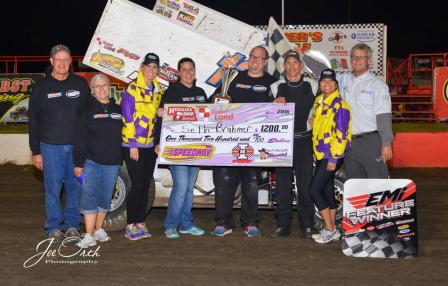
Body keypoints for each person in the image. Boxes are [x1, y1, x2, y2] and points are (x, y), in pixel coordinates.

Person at [211, 46, 275, 237]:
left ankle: (250, 223)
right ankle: (223, 222)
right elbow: (213, 100)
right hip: (227, 140)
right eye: (252, 57)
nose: (255, 61)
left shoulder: (271, 82)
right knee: (223, 181)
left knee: (251, 182)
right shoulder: (233, 78)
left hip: (255, 142)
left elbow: (280, 109)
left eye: (259, 58)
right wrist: (217, 100)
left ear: (265, 61)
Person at [28, 44, 90, 241]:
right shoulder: (40, 88)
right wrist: (36, 151)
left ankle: (72, 225)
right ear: (52, 61)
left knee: (75, 187)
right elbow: (33, 121)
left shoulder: (80, 85)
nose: (62, 63)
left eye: (66, 59)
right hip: (49, 148)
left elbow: (87, 117)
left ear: (70, 61)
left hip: (76, 148)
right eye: (58, 59)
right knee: (52, 189)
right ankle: (53, 226)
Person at [271, 49, 323, 238]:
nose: (292, 66)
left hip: (304, 141)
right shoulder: (275, 87)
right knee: (283, 186)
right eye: (288, 63)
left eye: (295, 62)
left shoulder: (313, 84)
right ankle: (283, 225)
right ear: (284, 66)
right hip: (282, 142)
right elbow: (267, 115)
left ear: (301, 65)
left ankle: (307, 224)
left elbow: (323, 108)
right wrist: (274, 104)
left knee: (305, 185)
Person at [156, 57, 207, 238]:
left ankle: (186, 224)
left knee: (188, 189)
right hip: (176, 148)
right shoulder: (172, 92)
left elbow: (208, 120)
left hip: (197, 147)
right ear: (178, 73)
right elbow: (160, 119)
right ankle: (170, 224)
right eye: (184, 69)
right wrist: (157, 142)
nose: (188, 72)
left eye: (190, 69)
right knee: (181, 186)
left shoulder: (201, 93)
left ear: (194, 71)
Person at [73, 74, 123, 248]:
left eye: (104, 85)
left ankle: (99, 229)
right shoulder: (87, 110)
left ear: (109, 87)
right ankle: (88, 234)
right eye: (97, 86)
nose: (101, 89)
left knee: (105, 197)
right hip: (91, 162)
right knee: (89, 196)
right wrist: (78, 163)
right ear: (92, 90)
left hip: (113, 162)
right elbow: (79, 138)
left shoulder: (119, 109)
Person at [121, 53, 163, 240]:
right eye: (148, 66)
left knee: (145, 185)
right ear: (142, 67)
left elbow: (155, 119)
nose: (151, 70)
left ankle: (140, 222)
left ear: (158, 71)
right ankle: (130, 224)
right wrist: (132, 145)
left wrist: (156, 143)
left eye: (155, 67)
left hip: (149, 146)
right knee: (137, 184)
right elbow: (127, 117)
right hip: (133, 145)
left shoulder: (158, 90)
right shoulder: (132, 88)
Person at [335, 43, 393, 179]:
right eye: (354, 57)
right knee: (354, 186)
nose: (357, 60)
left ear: (369, 60)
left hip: (371, 142)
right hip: (349, 143)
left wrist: (386, 143)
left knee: (377, 185)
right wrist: (303, 56)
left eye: (361, 57)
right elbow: (322, 71)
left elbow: (383, 117)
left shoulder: (377, 85)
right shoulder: (343, 79)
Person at [308, 68, 351, 243]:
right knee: (326, 190)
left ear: (336, 84)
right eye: (323, 81)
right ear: (320, 84)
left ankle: (330, 229)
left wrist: (333, 158)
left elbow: (341, 134)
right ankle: (333, 229)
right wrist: (314, 151)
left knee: (314, 190)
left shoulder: (340, 105)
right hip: (321, 153)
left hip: (332, 154)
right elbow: (317, 129)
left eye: (330, 81)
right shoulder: (319, 101)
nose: (327, 84)